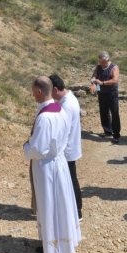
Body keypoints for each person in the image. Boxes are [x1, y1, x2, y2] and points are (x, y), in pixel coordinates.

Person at [24, 76, 81, 253]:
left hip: (47, 167)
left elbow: (38, 148)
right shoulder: (61, 110)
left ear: (39, 92)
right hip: (60, 163)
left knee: (49, 204)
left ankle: (53, 246)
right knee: (60, 204)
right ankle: (62, 241)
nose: (33, 96)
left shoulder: (44, 118)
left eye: (33, 92)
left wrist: (26, 146)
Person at [49, 74, 83, 221]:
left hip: (67, 149)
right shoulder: (69, 98)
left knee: (71, 180)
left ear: (55, 89)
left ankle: (77, 211)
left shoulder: (66, 105)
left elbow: (64, 130)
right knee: (71, 179)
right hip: (70, 147)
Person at [89, 51, 121, 144]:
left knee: (114, 113)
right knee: (103, 112)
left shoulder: (114, 67)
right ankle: (107, 131)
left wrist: (102, 83)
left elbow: (115, 80)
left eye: (103, 62)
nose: (101, 64)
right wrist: (93, 84)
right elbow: (93, 77)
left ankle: (116, 135)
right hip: (101, 93)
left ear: (108, 60)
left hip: (112, 93)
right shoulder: (98, 67)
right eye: (100, 62)